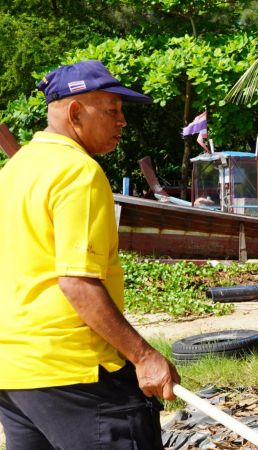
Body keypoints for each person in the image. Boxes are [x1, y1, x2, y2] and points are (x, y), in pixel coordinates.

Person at [0, 60, 180, 450]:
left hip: (16, 376)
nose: (122, 121)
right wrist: (144, 355)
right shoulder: (78, 172)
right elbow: (77, 282)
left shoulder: (14, 170)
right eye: (112, 110)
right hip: (76, 373)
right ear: (76, 113)